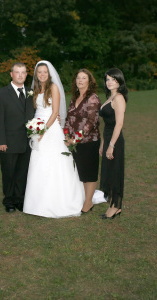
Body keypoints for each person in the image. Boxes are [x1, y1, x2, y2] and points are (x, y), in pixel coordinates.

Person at [23, 61, 85, 218]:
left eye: (45, 72)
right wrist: (35, 128)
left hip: (50, 129)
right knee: (39, 163)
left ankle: (57, 202)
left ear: (49, 74)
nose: (42, 74)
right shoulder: (35, 89)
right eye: (39, 72)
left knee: (53, 163)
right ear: (36, 74)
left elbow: (55, 111)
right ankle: (36, 203)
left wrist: (44, 130)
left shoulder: (53, 88)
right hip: (37, 127)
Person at [0, 62, 35, 213]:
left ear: (26, 74)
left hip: (27, 142)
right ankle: (9, 201)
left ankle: (20, 200)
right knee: (9, 173)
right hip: (9, 142)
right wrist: (0, 141)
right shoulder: (1, 94)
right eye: (17, 72)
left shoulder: (31, 92)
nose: (20, 75)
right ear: (11, 74)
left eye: (23, 72)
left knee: (22, 173)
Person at [65, 69, 101, 213]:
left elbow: (91, 122)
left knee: (89, 173)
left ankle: (88, 202)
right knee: (81, 172)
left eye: (84, 78)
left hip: (89, 141)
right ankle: (84, 198)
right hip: (74, 142)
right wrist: (67, 135)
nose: (80, 80)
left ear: (89, 81)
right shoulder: (74, 98)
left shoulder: (93, 98)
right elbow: (69, 118)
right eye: (78, 78)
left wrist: (75, 139)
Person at [99, 68, 128, 220]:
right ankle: (113, 205)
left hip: (116, 140)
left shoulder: (119, 98)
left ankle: (116, 206)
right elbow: (107, 125)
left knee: (115, 173)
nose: (110, 82)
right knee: (109, 173)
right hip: (109, 138)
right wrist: (103, 143)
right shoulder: (110, 97)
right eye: (108, 79)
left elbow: (119, 124)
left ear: (119, 82)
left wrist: (111, 145)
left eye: (113, 80)